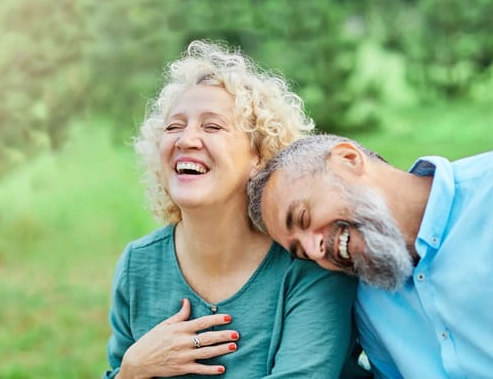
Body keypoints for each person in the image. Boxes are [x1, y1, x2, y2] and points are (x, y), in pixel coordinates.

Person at [102, 41, 359, 379]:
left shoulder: (309, 263)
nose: (186, 140)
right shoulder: (138, 266)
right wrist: (133, 370)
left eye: (212, 127)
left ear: (261, 157)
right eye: (174, 127)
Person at [247, 133, 493, 378]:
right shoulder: (369, 301)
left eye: (303, 217)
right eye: (302, 253)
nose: (315, 251)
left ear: (348, 159)